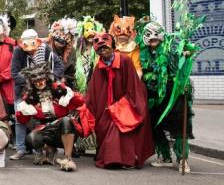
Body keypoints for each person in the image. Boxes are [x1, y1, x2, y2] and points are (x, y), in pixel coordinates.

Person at [83, 32, 153, 169]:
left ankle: (121, 160)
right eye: (100, 48)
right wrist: (86, 105)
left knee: (118, 125)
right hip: (106, 107)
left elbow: (133, 85)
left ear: (112, 46)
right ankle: (109, 157)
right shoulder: (99, 67)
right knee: (103, 123)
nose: (103, 50)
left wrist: (121, 105)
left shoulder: (125, 60)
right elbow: (93, 90)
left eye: (106, 46)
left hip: (124, 104)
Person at [139, 20, 195, 173]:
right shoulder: (143, 53)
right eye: (149, 37)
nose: (152, 40)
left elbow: (182, 66)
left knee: (179, 125)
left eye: (155, 37)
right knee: (154, 125)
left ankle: (183, 159)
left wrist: (186, 55)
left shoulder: (170, 49)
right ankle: (165, 156)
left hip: (173, 94)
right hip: (153, 95)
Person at [15, 62, 87, 171]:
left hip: (65, 127)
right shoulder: (31, 97)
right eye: (35, 81)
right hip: (45, 129)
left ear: (47, 78)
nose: (39, 83)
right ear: (31, 82)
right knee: (31, 138)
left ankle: (68, 158)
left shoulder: (58, 89)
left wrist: (68, 94)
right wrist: (25, 110)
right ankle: (49, 151)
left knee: (66, 120)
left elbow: (80, 101)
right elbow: (22, 119)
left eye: (41, 79)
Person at [9, 28, 64, 160]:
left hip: (44, 91)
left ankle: (44, 149)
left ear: (37, 41)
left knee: (45, 118)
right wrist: (32, 81)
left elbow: (59, 67)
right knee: (20, 118)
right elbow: (14, 73)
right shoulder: (18, 51)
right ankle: (21, 149)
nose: (30, 48)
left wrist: (48, 79)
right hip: (23, 92)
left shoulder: (46, 50)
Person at [74, 16, 104, 93]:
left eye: (92, 29)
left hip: (98, 83)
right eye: (87, 30)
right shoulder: (78, 49)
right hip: (82, 85)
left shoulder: (100, 48)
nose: (90, 33)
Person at [48, 18, 78, 89]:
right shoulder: (46, 50)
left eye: (65, 36)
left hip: (66, 87)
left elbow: (73, 73)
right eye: (58, 35)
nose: (62, 39)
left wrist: (65, 79)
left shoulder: (72, 51)